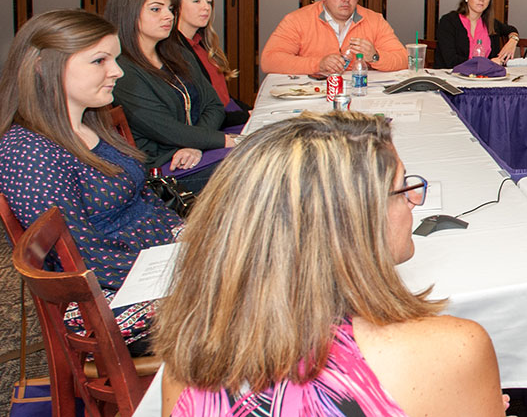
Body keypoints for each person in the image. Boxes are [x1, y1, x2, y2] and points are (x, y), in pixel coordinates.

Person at [155, 111, 508, 417]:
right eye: (402, 189)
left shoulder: (189, 355)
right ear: (351, 219)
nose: (416, 200)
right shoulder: (449, 349)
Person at [0, 9, 183, 354]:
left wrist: (187, 240)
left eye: (113, 59)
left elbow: (145, 200)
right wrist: (185, 269)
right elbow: (84, 259)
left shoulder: (92, 122)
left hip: (150, 263)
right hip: (104, 300)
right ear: (43, 67)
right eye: (100, 61)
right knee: (256, 300)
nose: (117, 71)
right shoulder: (29, 152)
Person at [105, 0, 235, 192]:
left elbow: (213, 105)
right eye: (156, 9)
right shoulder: (120, 71)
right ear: (127, 13)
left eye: (171, 9)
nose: (168, 16)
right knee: (256, 167)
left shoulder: (177, 53)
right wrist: (217, 140)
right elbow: (165, 129)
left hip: (192, 152)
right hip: (163, 168)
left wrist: (195, 144)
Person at [259, 0, 408, 75]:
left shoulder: (374, 20)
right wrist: (318, 64)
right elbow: (269, 60)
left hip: (360, 91)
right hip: (312, 93)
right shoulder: (297, 20)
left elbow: (403, 59)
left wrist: (375, 57)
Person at [174, 0, 249, 129]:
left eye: (208, 2)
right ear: (176, 7)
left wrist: (249, 111)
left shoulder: (201, 43)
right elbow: (198, 112)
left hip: (227, 115)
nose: (206, 8)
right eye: (197, 1)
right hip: (215, 126)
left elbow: (224, 97)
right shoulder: (176, 51)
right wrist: (247, 115)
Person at [435, 0, 521, 69]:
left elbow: (511, 30)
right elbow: (451, 61)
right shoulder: (448, 22)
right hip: (452, 79)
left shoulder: (491, 24)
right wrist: (487, 64)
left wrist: (513, 41)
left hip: (485, 80)